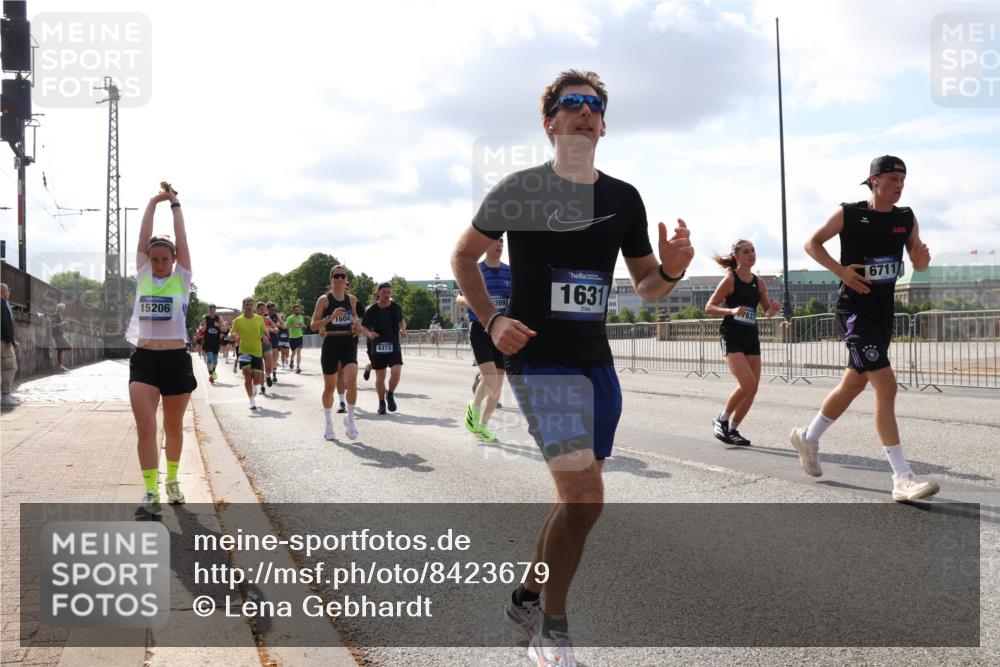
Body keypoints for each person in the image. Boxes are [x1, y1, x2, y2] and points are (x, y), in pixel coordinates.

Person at [451, 69, 694, 665]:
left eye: (595, 106)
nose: (585, 112)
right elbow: (462, 256)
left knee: (574, 504)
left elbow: (647, 286)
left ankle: (526, 597)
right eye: (573, 103)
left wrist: (674, 268)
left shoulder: (622, 198)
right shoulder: (519, 189)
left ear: (603, 125)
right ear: (550, 121)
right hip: (539, 360)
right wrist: (491, 320)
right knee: (586, 498)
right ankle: (552, 631)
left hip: (596, 364)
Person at [789, 155, 937, 502]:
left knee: (853, 384)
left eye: (903, 180)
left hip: (883, 313)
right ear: (873, 181)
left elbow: (920, 262)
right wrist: (841, 271)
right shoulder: (850, 213)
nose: (899, 186)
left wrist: (921, 260)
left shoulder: (906, 218)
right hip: (854, 311)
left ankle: (807, 438)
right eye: (892, 180)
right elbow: (812, 243)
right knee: (886, 385)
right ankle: (902, 478)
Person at [125, 185, 197, 515]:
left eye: (164, 259)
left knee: (172, 428)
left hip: (175, 360)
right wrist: (152, 202)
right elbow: (141, 241)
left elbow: (182, 242)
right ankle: (151, 490)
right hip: (144, 360)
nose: (158, 263)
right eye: (153, 259)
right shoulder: (142, 276)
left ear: (173, 260)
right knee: (145, 428)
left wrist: (176, 205)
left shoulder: (181, 278)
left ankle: (172, 481)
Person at [704, 240, 780, 446]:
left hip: (751, 337)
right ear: (737, 256)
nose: (751, 254)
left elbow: (766, 312)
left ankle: (734, 428)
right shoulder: (730, 279)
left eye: (753, 250)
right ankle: (722, 419)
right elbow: (709, 307)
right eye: (746, 251)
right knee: (747, 383)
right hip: (732, 336)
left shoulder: (759, 282)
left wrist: (773, 310)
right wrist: (731, 310)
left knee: (753, 388)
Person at [463, 236, 512, 443]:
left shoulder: (509, 272)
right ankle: (472, 411)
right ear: (485, 245)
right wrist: (469, 299)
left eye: (502, 241)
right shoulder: (477, 270)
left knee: (497, 385)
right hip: (480, 330)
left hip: (500, 331)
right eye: (495, 241)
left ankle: (482, 426)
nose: (499, 245)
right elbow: (459, 296)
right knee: (490, 378)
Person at [311, 265, 361, 440]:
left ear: (346, 279)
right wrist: (331, 318)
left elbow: (354, 316)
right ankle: (328, 422)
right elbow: (313, 325)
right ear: (331, 279)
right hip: (331, 343)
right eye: (337, 276)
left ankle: (351, 419)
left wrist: (357, 324)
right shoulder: (324, 300)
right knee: (329, 387)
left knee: (352, 380)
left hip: (348, 342)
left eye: (343, 276)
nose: (340, 279)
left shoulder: (352, 299)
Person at [361, 282, 406, 415]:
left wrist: (403, 329)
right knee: (380, 376)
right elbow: (363, 327)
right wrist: (370, 334)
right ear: (378, 293)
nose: (387, 295)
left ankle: (390, 394)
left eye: (389, 292)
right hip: (377, 345)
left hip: (393, 344)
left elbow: (402, 320)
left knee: (396, 371)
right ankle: (381, 402)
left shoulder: (396, 307)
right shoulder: (371, 310)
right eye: (384, 292)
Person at [230, 297, 268, 410]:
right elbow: (232, 333)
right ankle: (251, 400)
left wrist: (266, 335)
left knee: (257, 379)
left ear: (253, 306)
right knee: (247, 375)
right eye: (247, 304)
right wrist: (231, 336)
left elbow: (264, 330)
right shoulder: (238, 320)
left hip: (257, 351)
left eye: (251, 304)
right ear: (243, 306)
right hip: (244, 351)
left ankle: (255, 387)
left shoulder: (259, 319)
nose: (249, 306)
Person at [1, 283, 19, 408]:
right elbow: (5, 325)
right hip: (3, 342)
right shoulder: (2, 305)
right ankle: (6, 396)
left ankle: (6, 395)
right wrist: (11, 341)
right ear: (3, 291)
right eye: (8, 291)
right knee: (10, 367)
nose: (9, 293)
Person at [197, 304, 225, 383]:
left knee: (215, 360)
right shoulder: (205, 318)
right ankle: (211, 374)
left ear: (215, 310)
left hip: (216, 342)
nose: (212, 311)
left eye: (214, 309)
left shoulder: (219, 318)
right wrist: (201, 328)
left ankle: (212, 372)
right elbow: (200, 327)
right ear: (209, 310)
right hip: (208, 342)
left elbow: (225, 328)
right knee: (209, 359)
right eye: (211, 309)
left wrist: (219, 325)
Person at [51, 303, 73, 372]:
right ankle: (60, 366)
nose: (64, 309)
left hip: (60, 334)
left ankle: (60, 366)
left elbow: (59, 325)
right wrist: (63, 323)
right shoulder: (55, 315)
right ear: (60, 308)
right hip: (58, 335)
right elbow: (53, 325)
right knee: (69, 347)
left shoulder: (60, 316)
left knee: (60, 350)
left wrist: (66, 323)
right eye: (63, 308)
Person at [285, 304, 307, 373]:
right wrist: (293, 325)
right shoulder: (290, 318)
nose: (297, 311)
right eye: (296, 309)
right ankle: (291, 360)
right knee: (293, 353)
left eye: (298, 309)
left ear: (300, 310)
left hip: (300, 336)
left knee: (298, 352)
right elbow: (286, 326)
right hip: (292, 337)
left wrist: (303, 325)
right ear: (293, 310)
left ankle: (298, 367)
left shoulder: (301, 317)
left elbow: (302, 325)